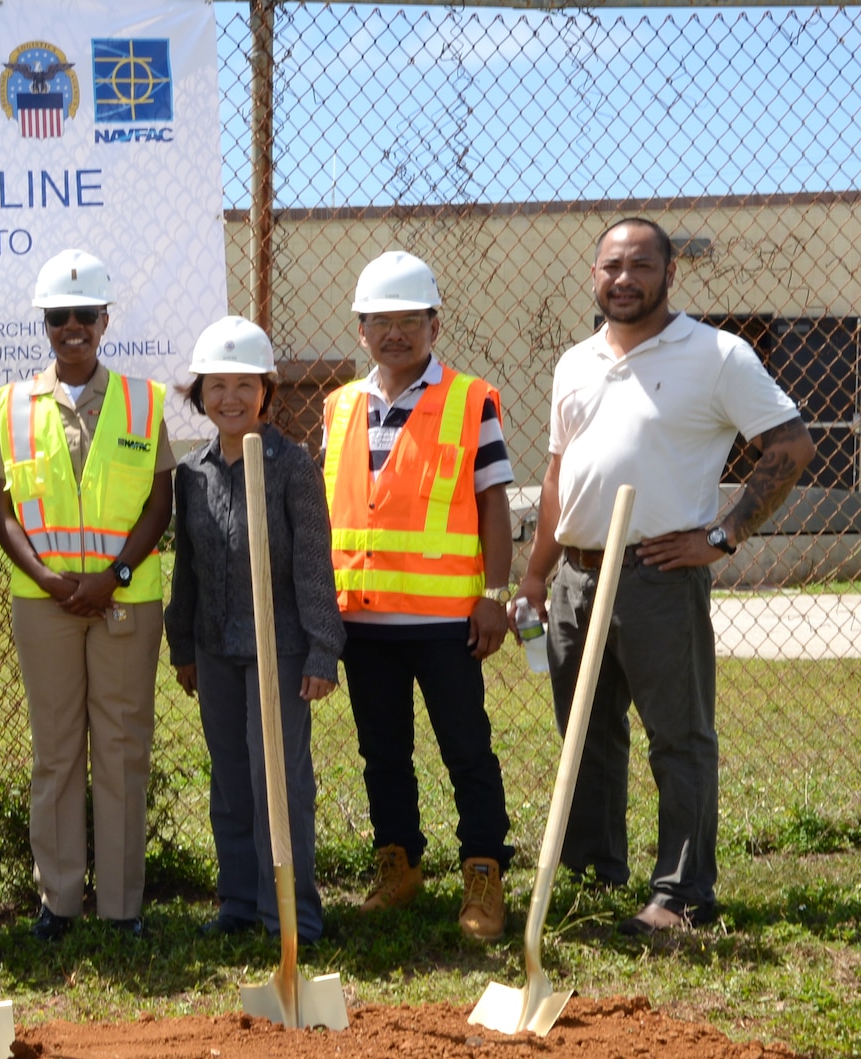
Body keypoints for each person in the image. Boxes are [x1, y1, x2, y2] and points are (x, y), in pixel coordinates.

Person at [519, 218, 813, 936]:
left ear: (669, 271)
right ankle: (595, 872)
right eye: (611, 266)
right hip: (577, 579)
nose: (625, 278)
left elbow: (792, 444)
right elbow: (559, 475)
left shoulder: (716, 356)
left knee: (678, 736)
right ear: (594, 275)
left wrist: (723, 534)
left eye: (641, 264)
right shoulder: (575, 362)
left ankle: (682, 895)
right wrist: (535, 578)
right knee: (585, 731)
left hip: (656, 574)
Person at [322, 251, 517, 941]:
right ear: (361, 330)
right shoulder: (340, 407)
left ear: (436, 323)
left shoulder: (471, 400)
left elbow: (494, 503)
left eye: (411, 320)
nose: (395, 334)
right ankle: (398, 863)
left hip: (445, 620)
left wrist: (495, 594)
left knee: (466, 749)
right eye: (382, 321)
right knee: (383, 751)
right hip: (364, 616)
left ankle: (484, 871)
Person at [0, 249, 173, 940]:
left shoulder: (143, 402)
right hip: (47, 604)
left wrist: (113, 576)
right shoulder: (11, 404)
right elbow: (0, 509)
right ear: (45, 324)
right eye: (58, 316)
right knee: (56, 751)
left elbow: (159, 502)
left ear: (104, 321)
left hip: (125, 601)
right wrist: (48, 577)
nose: (71, 326)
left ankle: (123, 906)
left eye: (83, 315)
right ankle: (58, 901)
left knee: (121, 748)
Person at [167, 317, 344, 942]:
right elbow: (185, 570)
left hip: (282, 650)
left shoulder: (292, 466)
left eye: (244, 385)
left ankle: (291, 913)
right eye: (216, 386)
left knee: (281, 783)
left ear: (266, 392)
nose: (230, 399)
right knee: (232, 779)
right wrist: (182, 645)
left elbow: (313, 564)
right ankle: (239, 902)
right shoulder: (191, 474)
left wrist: (323, 649)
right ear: (200, 395)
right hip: (216, 649)